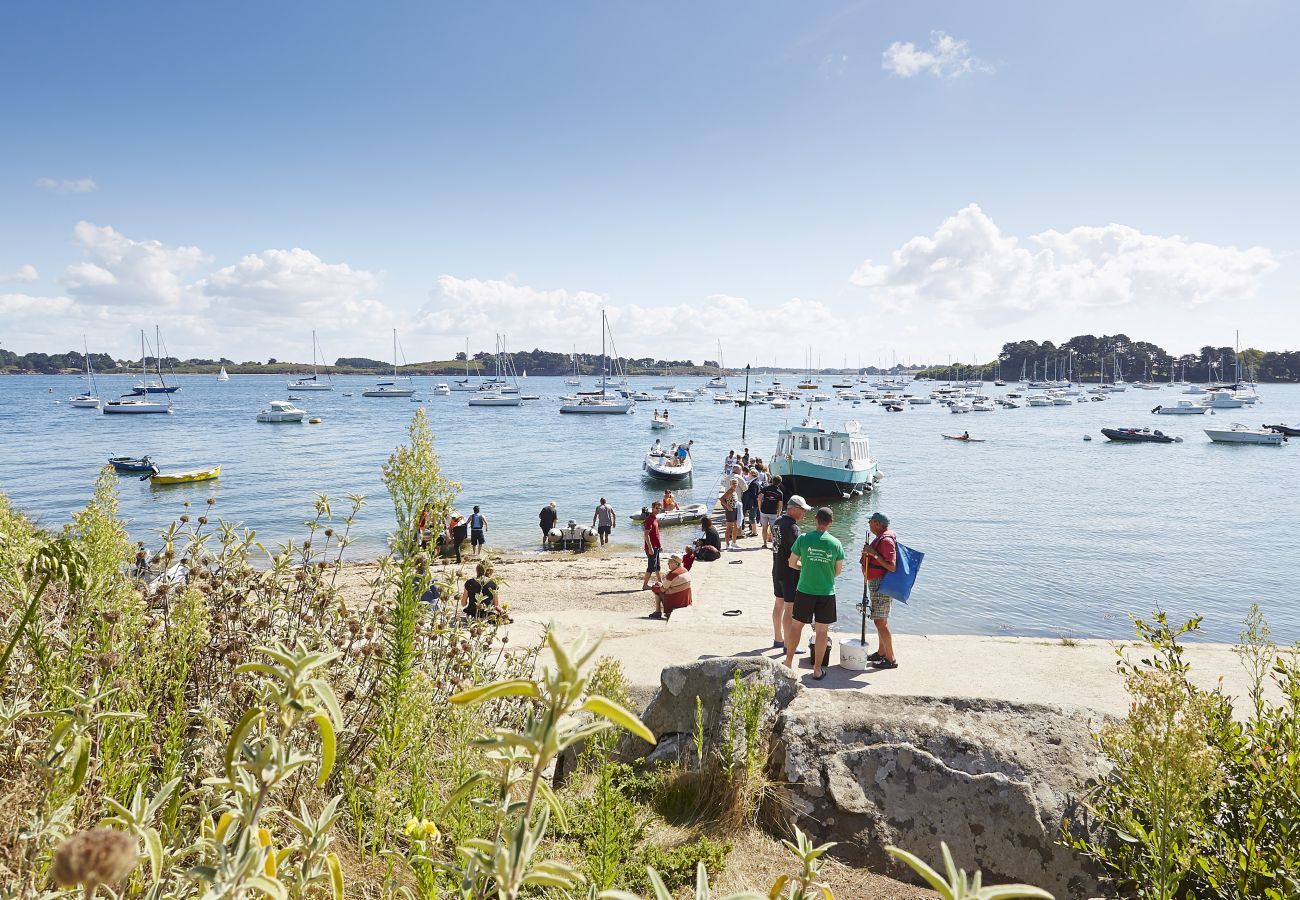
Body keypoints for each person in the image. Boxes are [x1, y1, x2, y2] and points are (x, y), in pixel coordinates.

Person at [784, 506, 844, 680]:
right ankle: (817, 670)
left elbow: (791, 562)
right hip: (826, 592)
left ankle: (788, 663)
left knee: (796, 626)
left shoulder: (803, 538)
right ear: (831, 523)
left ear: (816, 519)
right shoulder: (836, 543)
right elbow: (838, 571)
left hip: (805, 590)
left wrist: (804, 567)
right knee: (822, 632)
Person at [770, 494, 810, 651]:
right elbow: (799, 552)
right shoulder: (793, 527)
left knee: (778, 603)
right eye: (802, 510)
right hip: (789, 573)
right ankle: (788, 645)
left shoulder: (777, 522)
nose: (804, 513)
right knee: (789, 607)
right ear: (793, 509)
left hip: (777, 568)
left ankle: (778, 638)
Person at [861, 512, 899, 669]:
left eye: (870, 522)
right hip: (877, 584)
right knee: (881, 620)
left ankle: (890, 658)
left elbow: (892, 566)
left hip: (882, 585)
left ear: (877, 524)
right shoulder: (881, 538)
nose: (869, 524)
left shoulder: (886, 541)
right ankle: (881, 652)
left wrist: (874, 554)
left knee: (880, 621)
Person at [649, 553, 692, 620]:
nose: (668, 564)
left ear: (676, 563)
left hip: (675, 601)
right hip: (684, 601)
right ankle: (658, 612)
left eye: (670, 562)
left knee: (657, 587)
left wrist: (653, 588)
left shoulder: (673, 574)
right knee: (659, 586)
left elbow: (663, 589)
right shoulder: (685, 570)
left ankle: (658, 612)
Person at [641, 500, 663, 590]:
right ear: (652, 508)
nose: (658, 510)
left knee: (657, 566)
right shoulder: (649, 519)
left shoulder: (654, 518)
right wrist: (650, 548)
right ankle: (645, 585)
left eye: (659, 508)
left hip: (656, 546)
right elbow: (646, 535)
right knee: (651, 567)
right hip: (651, 547)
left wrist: (660, 545)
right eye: (656, 508)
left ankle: (660, 582)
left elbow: (656, 534)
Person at [758, 475, 784, 548]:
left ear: (772, 481)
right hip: (773, 512)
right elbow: (780, 505)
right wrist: (779, 514)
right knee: (774, 530)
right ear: (780, 483)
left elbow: (759, 498)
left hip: (764, 511)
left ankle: (765, 543)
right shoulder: (779, 492)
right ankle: (774, 545)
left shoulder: (765, 488)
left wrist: (760, 508)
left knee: (764, 528)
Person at [741, 470, 761, 537]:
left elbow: (753, 495)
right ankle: (753, 531)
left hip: (753, 503)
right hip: (754, 502)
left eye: (749, 474)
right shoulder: (754, 482)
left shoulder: (754, 483)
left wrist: (751, 504)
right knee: (751, 518)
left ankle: (754, 532)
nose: (748, 475)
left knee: (752, 518)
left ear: (752, 474)